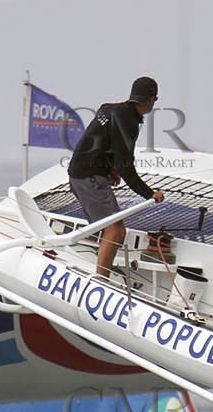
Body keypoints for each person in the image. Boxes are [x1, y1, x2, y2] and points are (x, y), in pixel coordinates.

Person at [68, 76, 166, 277]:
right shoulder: (128, 123)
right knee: (116, 230)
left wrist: (110, 168)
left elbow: (100, 140)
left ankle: (102, 266)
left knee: (108, 227)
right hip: (89, 178)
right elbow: (126, 167)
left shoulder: (109, 109)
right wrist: (150, 194)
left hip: (79, 173)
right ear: (150, 101)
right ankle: (101, 280)